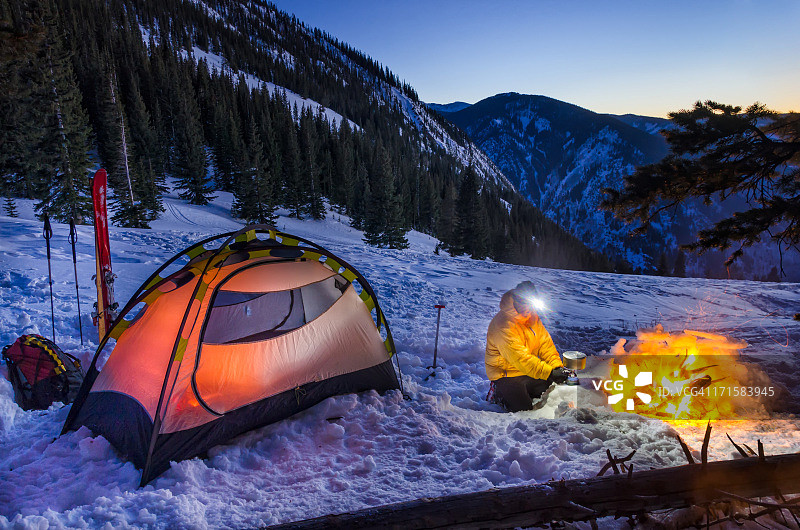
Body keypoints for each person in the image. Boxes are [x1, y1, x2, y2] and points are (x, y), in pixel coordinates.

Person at [485, 281, 569, 411]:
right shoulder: (503, 324)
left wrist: (556, 367)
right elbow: (519, 358)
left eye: (530, 305)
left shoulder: (532, 318)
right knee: (524, 411)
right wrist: (549, 372)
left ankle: (529, 391)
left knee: (554, 389)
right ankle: (499, 393)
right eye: (524, 304)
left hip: (527, 371)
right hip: (506, 375)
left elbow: (545, 345)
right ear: (516, 301)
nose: (528, 309)